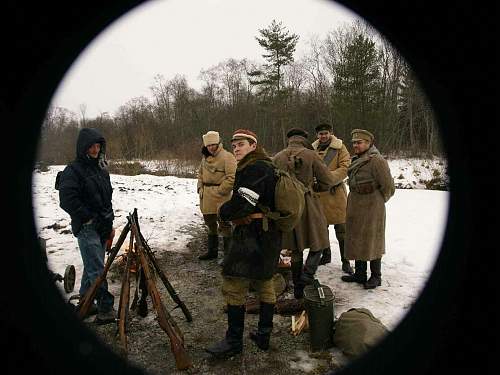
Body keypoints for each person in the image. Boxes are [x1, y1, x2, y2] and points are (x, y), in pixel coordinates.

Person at [205, 129, 282, 358]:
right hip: (268, 234)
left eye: (241, 144)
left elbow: (242, 204)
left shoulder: (256, 167)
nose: (236, 148)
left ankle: (233, 342)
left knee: (233, 282)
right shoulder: (266, 166)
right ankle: (263, 336)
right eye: (234, 145)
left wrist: (222, 211)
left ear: (253, 145)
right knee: (264, 281)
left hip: (252, 235)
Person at [58, 127, 116, 324]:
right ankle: (106, 307)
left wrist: (110, 224)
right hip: (87, 228)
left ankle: (86, 301)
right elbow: (66, 199)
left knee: (93, 266)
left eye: (98, 145)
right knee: (96, 270)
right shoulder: (73, 171)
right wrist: (87, 217)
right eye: (91, 146)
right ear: (83, 148)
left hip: (102, 226)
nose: (95, 149)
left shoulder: (100, 169)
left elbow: (107, 199)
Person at [273, 128, 337, 299]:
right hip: (308, 203)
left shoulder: (278, 157)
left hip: (286, 206)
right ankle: (306, 276)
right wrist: (316, 187)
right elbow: (328, 181)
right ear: (304, 139)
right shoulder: (311, 155)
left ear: (290, 140)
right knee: (321, 240)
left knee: (295, 247)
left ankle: (298, 289)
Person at [342, 129, 395, 289]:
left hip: (372, 206)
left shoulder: (377, 161)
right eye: (354, 143)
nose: (355, 145)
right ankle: (360, 274)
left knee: (373, 240)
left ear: (368, 143)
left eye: (359, 142)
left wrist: (378, 201)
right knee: (357, 238)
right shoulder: (356, 159)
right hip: (355, 204)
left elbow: (388, 187)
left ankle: (376, 276)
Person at [312, 123, 353, 274]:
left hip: (336, 194)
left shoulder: (340, 148)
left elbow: (345, 167)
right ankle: (326, 255)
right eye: (320, 134)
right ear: (317, 135)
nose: (323, 136)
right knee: (321, 229)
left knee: (342, 230)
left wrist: (328, 179)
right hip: (318, 194)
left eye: (326, 133)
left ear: (330, 133)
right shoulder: (313, 149)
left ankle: (346, 261)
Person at [196, 130, 237, 264]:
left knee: (224, 225)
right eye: (208, 145)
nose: (211, 147)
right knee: (210, 224)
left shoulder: (228, 157)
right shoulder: (204, 158)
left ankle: (228, 256)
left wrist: (220, 191)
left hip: (221, 198)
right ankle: (212, 252)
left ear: (218, 143)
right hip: (206, 196)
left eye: (213, 144)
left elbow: (232, 178)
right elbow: (200, 174)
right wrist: (200, 187)